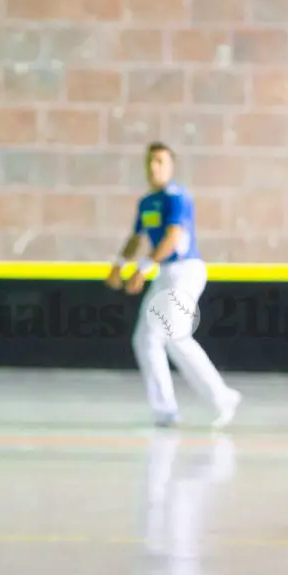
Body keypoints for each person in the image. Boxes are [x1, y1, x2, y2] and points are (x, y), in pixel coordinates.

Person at [106, 142, 241, 428]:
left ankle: (222, 398)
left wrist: (143, 269)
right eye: (150, 162)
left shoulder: (176, 197)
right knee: (146, 340)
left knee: (174, 337)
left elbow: (171, 239)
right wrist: (119, 265)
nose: (154, 167)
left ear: (171, 166)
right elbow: (136, 238)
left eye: (160, 161)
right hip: (165, 274)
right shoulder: (146, 202)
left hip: (184, 272)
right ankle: (165, 411)